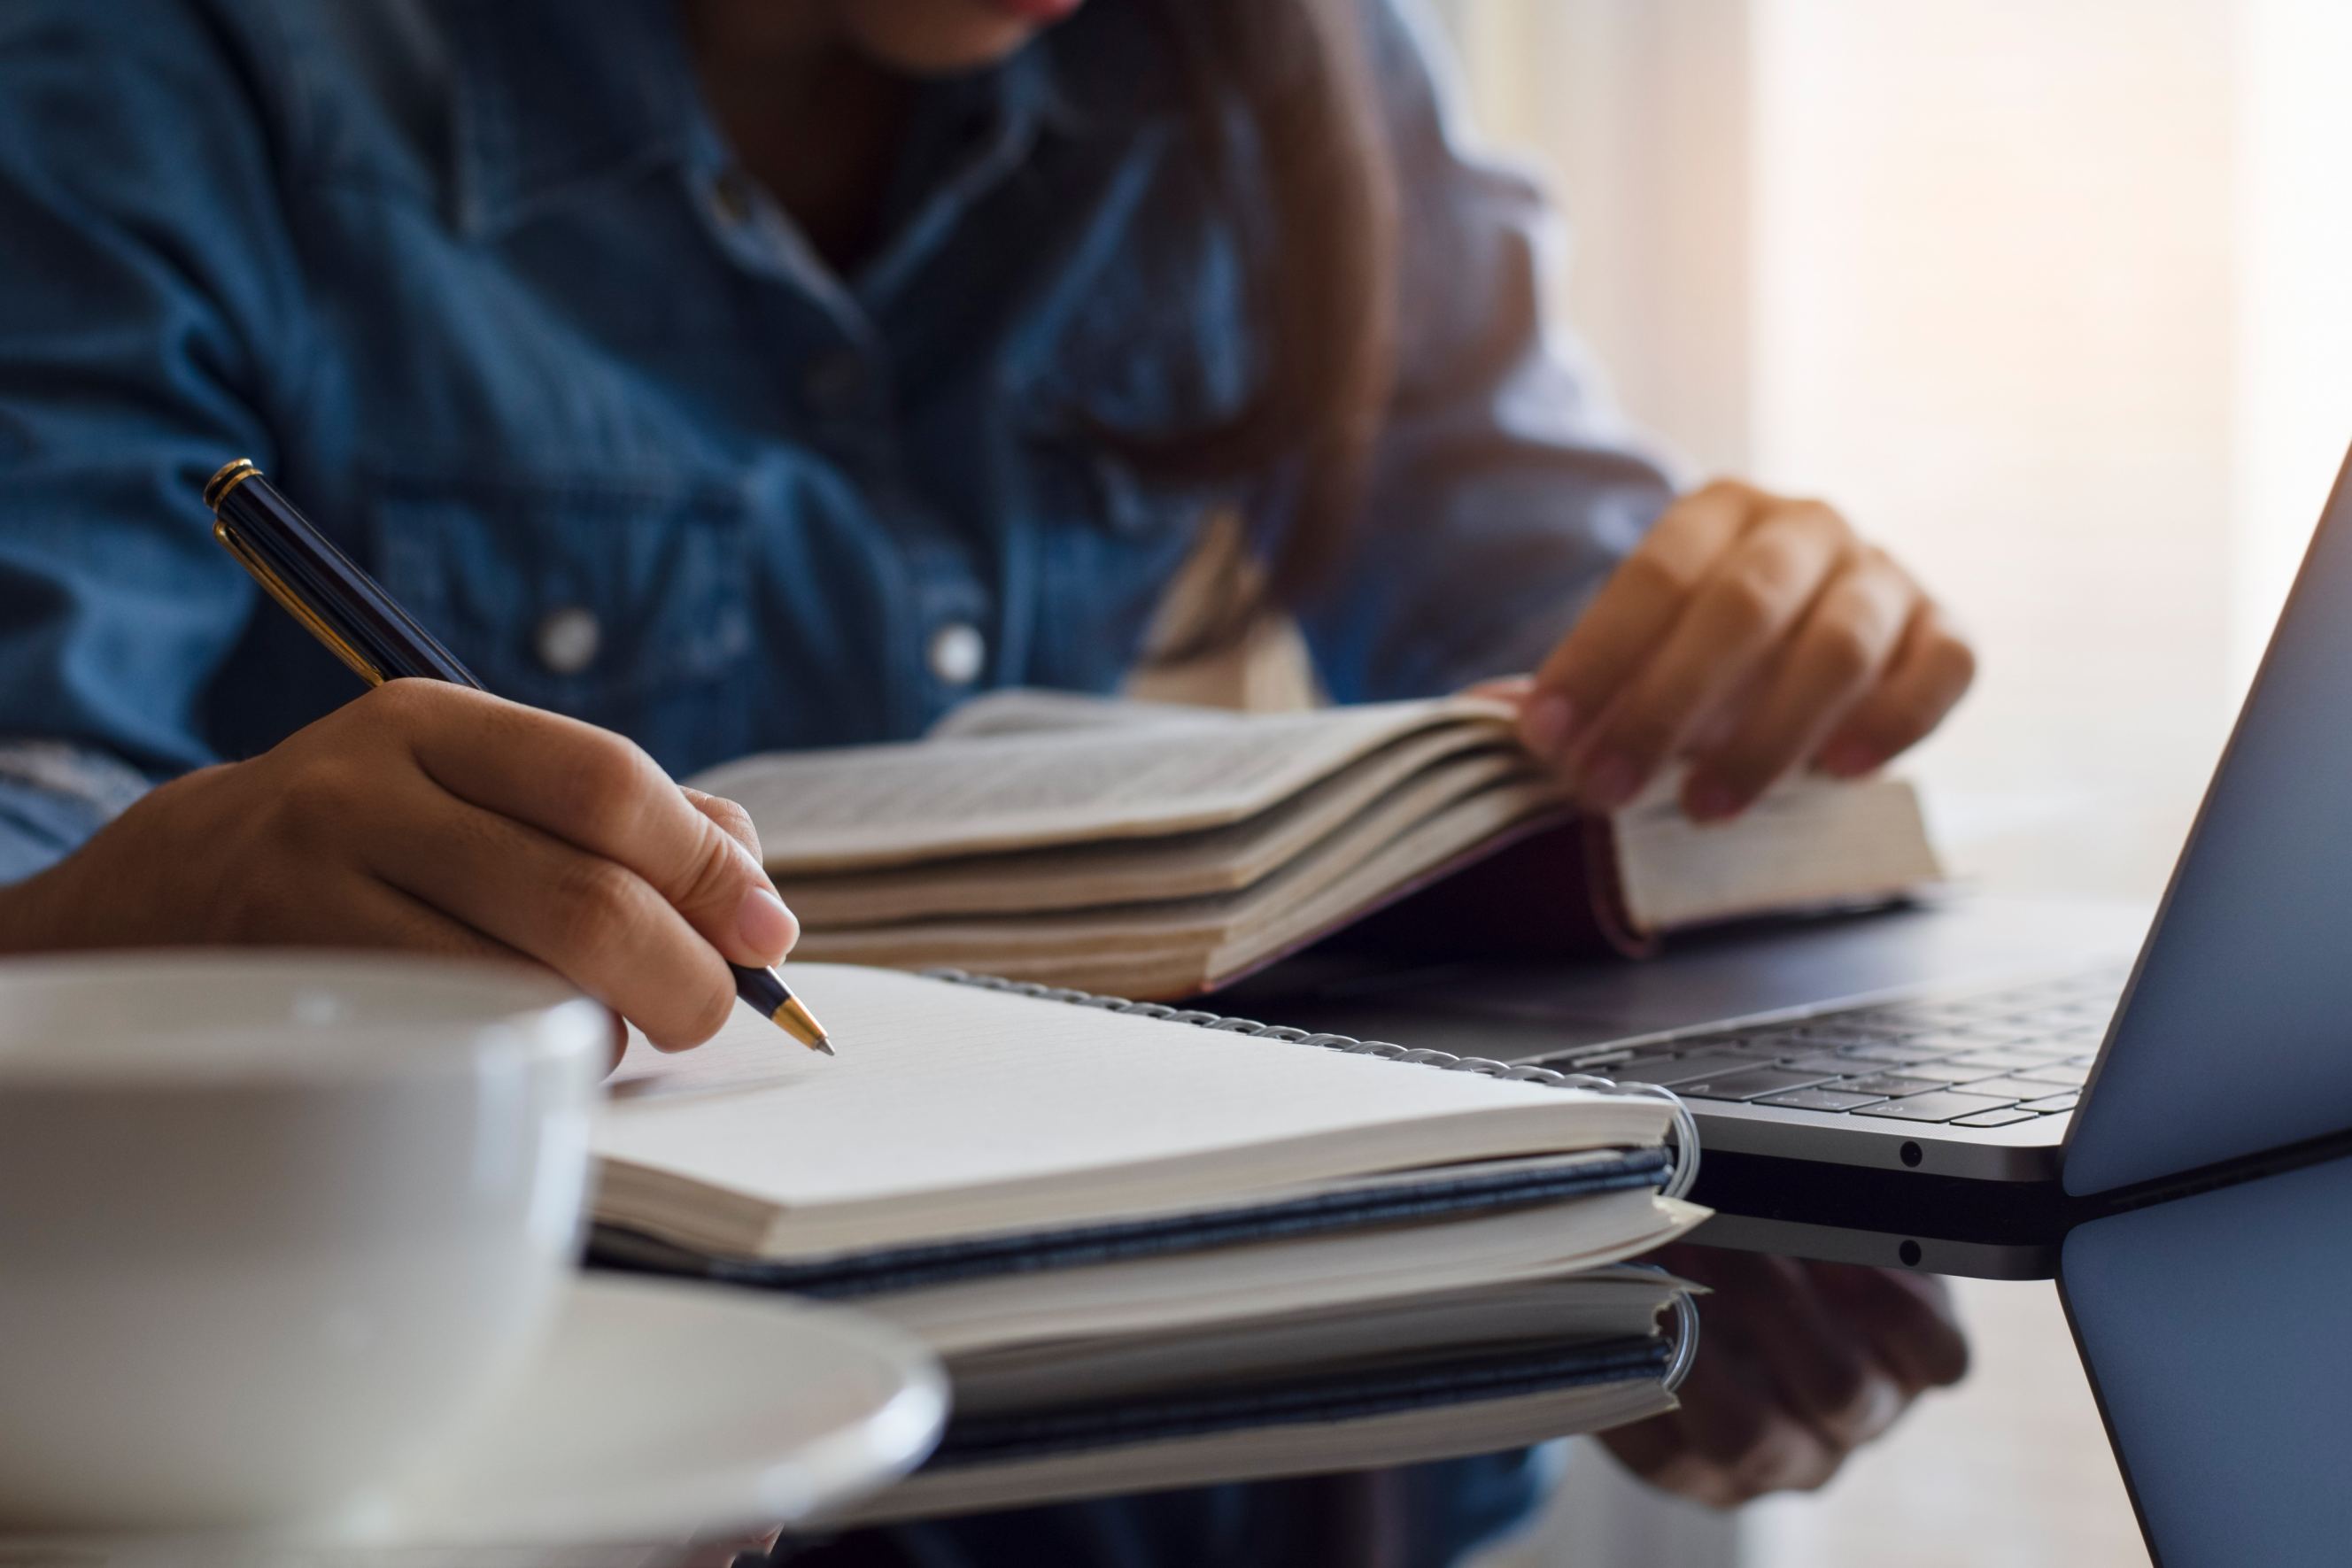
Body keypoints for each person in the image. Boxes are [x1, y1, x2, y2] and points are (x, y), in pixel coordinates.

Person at [0, 0, 1973, 1561]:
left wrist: (1756, 631)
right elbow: (37, 785)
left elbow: (1549, 613)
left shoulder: (1272, 55)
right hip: (405, 1398)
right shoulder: (177, 72)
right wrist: (123, 906)